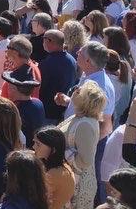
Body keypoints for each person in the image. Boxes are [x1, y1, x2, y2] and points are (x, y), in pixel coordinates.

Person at [58, 80, 107, 209]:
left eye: (79, 91)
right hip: (68, 180)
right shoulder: (78, 117)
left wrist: (58, 152)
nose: (75, 91)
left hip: (77, 186)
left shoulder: (85, 124)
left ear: (86, 101)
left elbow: (85, 160)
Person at [31, 127, 75, 209]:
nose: (33, 147)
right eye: (34, 142)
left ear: (53, 149)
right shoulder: (62, 166)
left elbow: (32, 199)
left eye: (38, 144)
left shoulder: (54, 175)